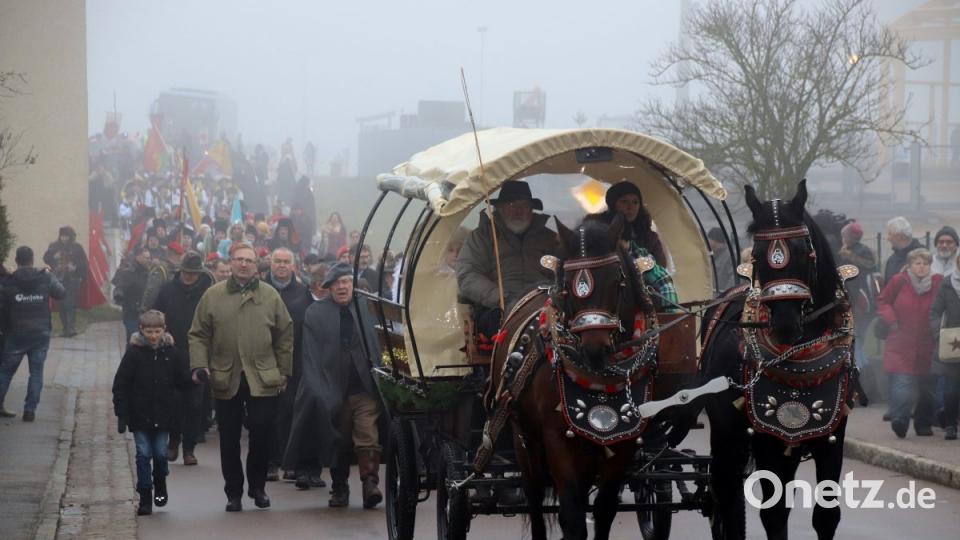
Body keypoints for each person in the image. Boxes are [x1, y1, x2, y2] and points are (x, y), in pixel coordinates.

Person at [188, 243, 293, 512]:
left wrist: (283, 371)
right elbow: (198, 334)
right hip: (226, 375)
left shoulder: (270, 296)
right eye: (238, 259)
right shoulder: (213, 295)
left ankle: (258, 487)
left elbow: (285, 335)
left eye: (249, 260)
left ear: (258, 265)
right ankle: (233, 492)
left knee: (261, 434)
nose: (244, 264)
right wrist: (200, 365)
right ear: (230, 262)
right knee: (229, 436)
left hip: (263, 377)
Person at [284, 262, 384, 508]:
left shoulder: (366, 307)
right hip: (333, 389)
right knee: (337, 438)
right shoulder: (316, 314)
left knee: (367, 432)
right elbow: (311, 354)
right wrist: (319, 388)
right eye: (337, 283)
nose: (343, 287)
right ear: (328, 287)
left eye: (347, 282)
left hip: (364, 387)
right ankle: (340, 488)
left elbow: (382, 343)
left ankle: (370, 482)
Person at [112, 310, 193, 516]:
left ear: (164, 330)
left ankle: (160, 483)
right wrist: (122, 413)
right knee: (143, 454)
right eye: (149, 331)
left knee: (159, 454)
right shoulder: (134, 353)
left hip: (164, 414)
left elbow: (181, 380)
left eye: (157, 331)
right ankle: (146, 496)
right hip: (140, 414)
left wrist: (195, 379)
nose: (153, 336)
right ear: (141, 330)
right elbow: (121, 383)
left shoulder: (171, 353)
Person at [456, 180, 560, 339]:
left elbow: (564, 272)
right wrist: (503, 299)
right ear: (500, 208)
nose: (518, 211)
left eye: (524, 205)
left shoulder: (550, 239)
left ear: (531, 210)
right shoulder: (482, 236)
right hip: (498, 309)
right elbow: (468, 276)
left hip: (545, 305)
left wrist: (551, 298)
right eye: (511, 204)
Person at [151, 251, 214, 466]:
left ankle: (189, 448)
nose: (189, 277)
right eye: (186, 272)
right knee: (172, 402)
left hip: (198, 353)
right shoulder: (168, 289)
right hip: (171, 351)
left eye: (193, 273)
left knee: (194, 404)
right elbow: (155, 314)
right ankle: (173, 442)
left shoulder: (208, 292)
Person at [877, 248, 942, 438]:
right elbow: (883, 301)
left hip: (928, 343)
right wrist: (892, 320)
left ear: (930, 265)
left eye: (925, 264)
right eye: (917, 263)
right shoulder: (899, 281)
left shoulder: (938, 283)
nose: (921, 267)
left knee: (927, 387)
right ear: (910, 265)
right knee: (902, 384)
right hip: (901, 342)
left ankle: (923, 424)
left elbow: (945, 304)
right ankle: (900, 419)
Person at [262, 248, 314, 485]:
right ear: (270, 263)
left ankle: (291, 462)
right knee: (268, 414)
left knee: (292, 412)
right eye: (277, 261)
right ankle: (270, 461)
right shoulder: (260, 290)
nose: (281, 266)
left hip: (296, 363)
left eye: (286, 262)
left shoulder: (304, 293)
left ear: (294, 266)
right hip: (263, 362)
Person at [0, 247, 66, 420]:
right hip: (40, 332)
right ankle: (30, 411)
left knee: (6, 371)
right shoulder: (44, 277)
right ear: (32, 259)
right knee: (36, 372)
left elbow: (2, 306)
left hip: (16, 333)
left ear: (16, 261)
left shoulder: (9, 281)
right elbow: (61, 293)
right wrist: (52, 274)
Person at [600, 181, 678, 310]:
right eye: (624, 201)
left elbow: (659, 269)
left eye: (635, 202)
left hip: (643, 292)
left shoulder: (649, 236)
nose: (630, 207)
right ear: (613, 204)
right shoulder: (599, 231)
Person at [930, 252, 960, 440]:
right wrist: (937, 334)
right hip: (952, 343)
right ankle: (950, 424)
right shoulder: (948, 284)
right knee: (951, 388)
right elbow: (935, 311)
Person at [42, 226, 88, 337]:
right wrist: (54, 257)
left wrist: (75, 267)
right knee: (61, 304)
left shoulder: (77, 247)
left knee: (70, 303)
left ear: (71, 236)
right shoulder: (53, 246)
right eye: (62, 236)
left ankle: (71, 328)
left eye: (66, 236)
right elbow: (46, 258)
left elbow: (85, 262)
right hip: (58, 278)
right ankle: (65, 329)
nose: (64, 238)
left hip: (72, 279)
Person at [112, 247, 153, 341]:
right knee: (133, 341)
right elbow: (120, 287)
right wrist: (119, 295)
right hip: (132, 314)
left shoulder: (150, 272)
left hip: (147, 314)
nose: (149, 260)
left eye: (149, 258)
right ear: (138, 257)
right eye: (146, 258)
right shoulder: (128, 273)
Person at [140, 242, 185, 313]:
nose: (181, 258)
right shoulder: (161, 269)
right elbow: (152, 292)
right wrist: (145, 310)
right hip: (160, 312)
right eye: (180, 255)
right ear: (175, 254)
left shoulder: (181, 270)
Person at [883, 216, 923, 285]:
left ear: (899, 236)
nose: (887, 238)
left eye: (890, 234)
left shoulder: (923, 256)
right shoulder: (891, 260)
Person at [707, 227, 735, 292]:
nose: (707, 242)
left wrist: (725, 296)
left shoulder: (730, 256)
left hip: (721, 297)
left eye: (709, 239)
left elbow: (733, 279)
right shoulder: (711, 254)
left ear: (715, 241)